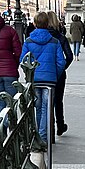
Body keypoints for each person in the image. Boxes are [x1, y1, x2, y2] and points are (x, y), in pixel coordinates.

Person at [20, 11, 65, 144]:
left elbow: (23, 60)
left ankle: (37, 136)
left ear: (34, 24)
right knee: (46, 108)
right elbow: (61, 62)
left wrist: (30, 74)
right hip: (49, 81)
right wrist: (53, 74)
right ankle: (43, 137)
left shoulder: (28, 41)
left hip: (34, 80)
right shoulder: (55, 41)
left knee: (38, 108)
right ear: (47, 23)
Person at [45, 10, 73, 136]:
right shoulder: (61, 38)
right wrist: (62, 68)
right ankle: (60, 125)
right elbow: (69, 56)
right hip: (58, 74)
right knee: (58, 100)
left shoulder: (40, 37)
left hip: (44, 74)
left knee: (45, 102)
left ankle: (45, 128)